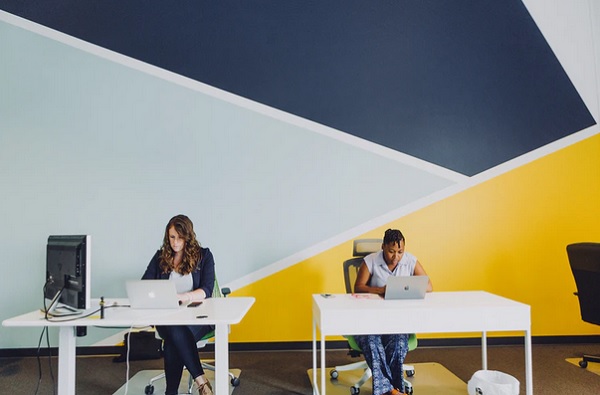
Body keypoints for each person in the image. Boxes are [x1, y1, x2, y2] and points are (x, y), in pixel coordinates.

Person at [142, 214, 216, 395]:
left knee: (172, 341)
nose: (175, 242)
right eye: (172, 237)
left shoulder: (204, 256)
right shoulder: (161, 257)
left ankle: (171, 392)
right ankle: (201, 380)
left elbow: (206, 289)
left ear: (188, 237)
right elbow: (145, 283)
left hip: (196, 316)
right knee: (173, 328)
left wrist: (185, 297)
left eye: (180, 237)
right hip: (166, 317)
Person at [353, 229, 433, 395]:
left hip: (397, 320)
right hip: (370, 321)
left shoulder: (410, 261)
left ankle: (391, 390)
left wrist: (407, 286)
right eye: (391, 251)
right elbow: (358, 287)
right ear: (383, 247)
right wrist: (380, 290)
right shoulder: (371, 261)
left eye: (400, 252)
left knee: (398, 343)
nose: (396, 256)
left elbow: (429, 286)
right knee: (371, 341)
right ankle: (392, 391)